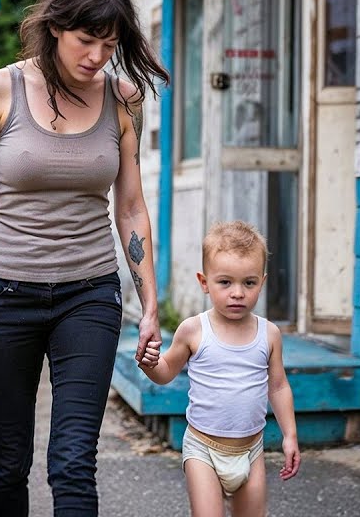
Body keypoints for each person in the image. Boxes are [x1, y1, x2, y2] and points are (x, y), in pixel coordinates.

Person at [0, 0, 170, 516]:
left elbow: (130, 206)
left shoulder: (122, 98)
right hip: (5, 296)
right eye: (87, 41)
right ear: (57, 27)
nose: (97, 57)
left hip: (90, 295)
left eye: (109, 45)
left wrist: (150, 301)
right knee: (7, 460)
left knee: (74, 460)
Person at [138, 220, 300, 517]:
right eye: (225, 282)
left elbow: (278, 386)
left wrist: (290, 435)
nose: (237, 292)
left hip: (251, 452)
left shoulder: (269, 334)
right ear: (204, 282)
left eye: (248, 283)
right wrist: (149, 364)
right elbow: (165, 372)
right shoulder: (194, 330)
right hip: (203, 449)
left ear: (261, 283)